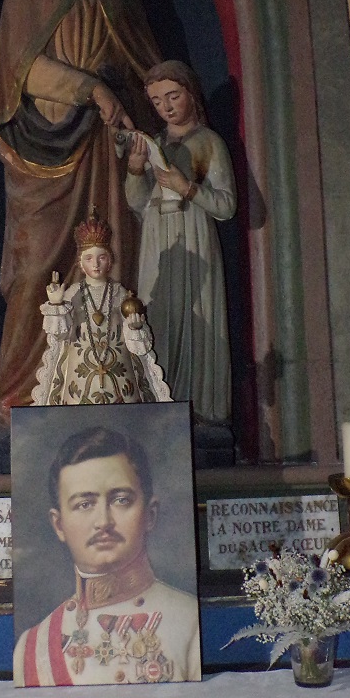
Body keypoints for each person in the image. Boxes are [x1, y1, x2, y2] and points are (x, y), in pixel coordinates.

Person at [0, 0, 162, 436]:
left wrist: (149, 114)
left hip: (109, 154)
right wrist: (92, 88)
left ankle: (117, 385)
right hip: (46, 152)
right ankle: (15, 398)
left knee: (115, 267)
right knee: (38, 269)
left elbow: (149, 77)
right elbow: (20, 71)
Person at [13, 425, 201, 686]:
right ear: (59, 525)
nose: (103, 521)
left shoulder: (189, 622)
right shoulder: (32, 647)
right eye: (84, 504)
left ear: (150, 514)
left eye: (121, 500)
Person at [124, 60, 237, 431]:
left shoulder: (209, 142)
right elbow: (138, 203)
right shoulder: (155, 143)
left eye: (173, 96)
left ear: (191, 93)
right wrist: (136, 169)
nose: (166, 107)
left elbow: (226, 206)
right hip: (158, 241)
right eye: (157, 101)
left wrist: (185, 186)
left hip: (193, 236)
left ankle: (202, 406)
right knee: (156, 315)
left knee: (196, 318)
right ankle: (158, 400)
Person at [31, 210, 171, 406]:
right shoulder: (73, 293)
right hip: (79, 373)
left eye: (101, 257)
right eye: (89, 258)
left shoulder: (120, 293)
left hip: (119, 371)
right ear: (81, 263)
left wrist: (135, 328)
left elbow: (136, 346)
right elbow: (60, 334)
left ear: (110, 261)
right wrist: (56, 304)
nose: (95, 264)